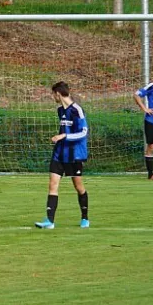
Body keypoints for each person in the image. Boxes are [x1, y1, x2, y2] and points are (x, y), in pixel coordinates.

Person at [35, 81, 89, 229]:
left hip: (74, 155)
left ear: (58, 94)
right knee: (52, 184)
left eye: (53, 94)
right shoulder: (60, 111)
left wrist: (63, 136)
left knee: (78, 187)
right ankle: (49, 221)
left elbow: (84, 132)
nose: (53, 97)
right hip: (59, 153)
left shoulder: (77, 110)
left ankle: (85, 218)